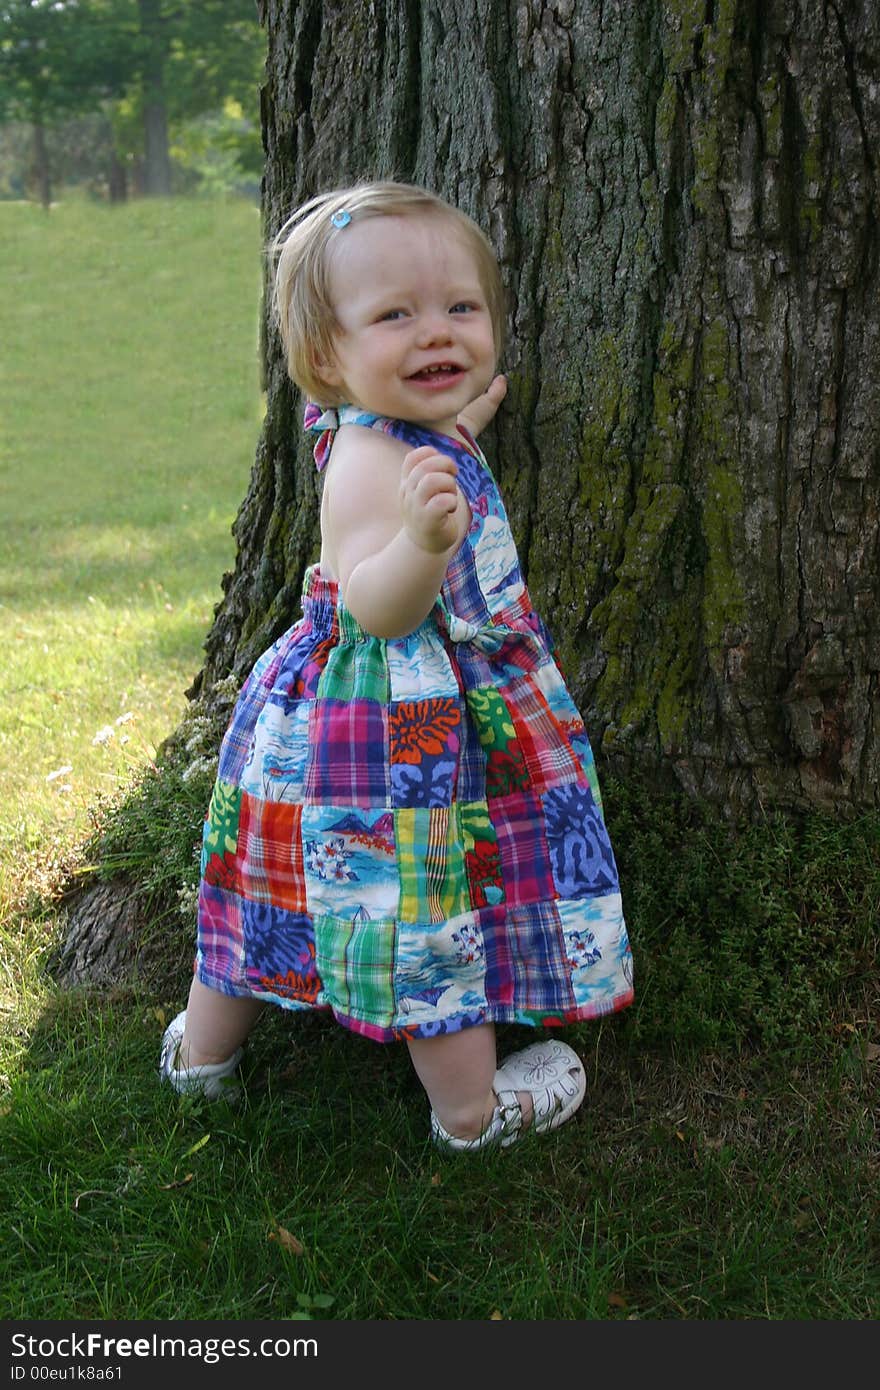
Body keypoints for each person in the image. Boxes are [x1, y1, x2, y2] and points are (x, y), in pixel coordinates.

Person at [160, 180, 634, 1151]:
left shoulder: (384, 429)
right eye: (396, 315)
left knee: (264, 888)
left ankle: (201, 1058)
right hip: (399, 737)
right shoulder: (376, 465)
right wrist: (422, 541)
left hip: (323, 733)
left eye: (461, 309)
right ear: (328, 357)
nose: (436, 334)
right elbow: (378, 605)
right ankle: (469, 1111)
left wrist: (457, 429)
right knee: (429, 916)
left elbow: (416, 424)